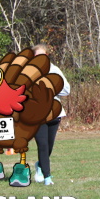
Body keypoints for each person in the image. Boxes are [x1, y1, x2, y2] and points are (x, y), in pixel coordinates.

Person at [32, 44, 70, 186]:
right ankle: (47, 177)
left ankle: (40, 165)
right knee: (42, 145)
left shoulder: (54, 70)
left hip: (54, 114)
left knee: (48, 147)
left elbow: (66, 90)